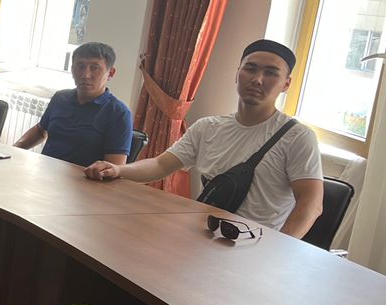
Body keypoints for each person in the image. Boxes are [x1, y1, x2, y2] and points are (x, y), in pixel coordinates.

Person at [84, 39, 323, 236]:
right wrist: (118, 170)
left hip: (255, 248)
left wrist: (277, 252)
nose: (257, 79)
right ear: (237, 74)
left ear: (286, 84)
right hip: (204, 235)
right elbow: (160, 165)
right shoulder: (208, 127)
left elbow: (310, 206)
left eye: (270, 73)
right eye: (250, 69)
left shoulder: (297, 137)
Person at [14, 41, 133, 166]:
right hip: (45, 171)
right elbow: (40, 131)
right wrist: (14, 149)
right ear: (72, 69)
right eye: (80, 66)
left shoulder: (118, 112)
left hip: (83, 177)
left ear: (110, 73)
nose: (86, 75)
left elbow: (114, 167)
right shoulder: (60, 98)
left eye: (94, 68)